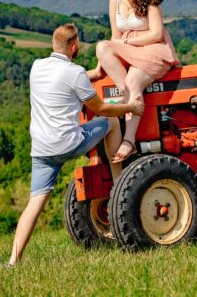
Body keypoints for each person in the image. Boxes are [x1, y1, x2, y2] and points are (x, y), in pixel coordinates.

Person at [8, 23, 144, 267]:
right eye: (78, 43)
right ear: (73, 46)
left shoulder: (37, 67)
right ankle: (118, 185)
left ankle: (13, 261)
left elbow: (64, 79)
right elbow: (100, 108)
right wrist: (131, 107)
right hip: (68, 143)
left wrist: (93, 72)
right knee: (111, 121)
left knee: (34, 204)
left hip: (41, 150)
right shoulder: (74, 73)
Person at [89, 0, 179, 163]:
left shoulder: (151, 2)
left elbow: (155, 34)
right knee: (102, 46)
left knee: (133, 81)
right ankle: (128, 97)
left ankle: (128, 142)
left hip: (153, 48)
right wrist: (99, 68)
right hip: (128, 47)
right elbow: (115, 36)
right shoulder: (114, 1)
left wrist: (128, 42)